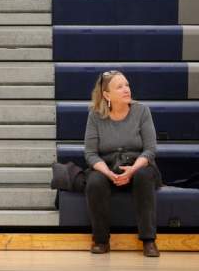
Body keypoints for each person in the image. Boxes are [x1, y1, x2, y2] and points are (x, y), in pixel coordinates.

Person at [84, 70, 162, 257]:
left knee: (143, 175)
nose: (126, 89)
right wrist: (108, 173)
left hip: (139, 164)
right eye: (119, 87)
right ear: (106, 95)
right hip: (108, 165)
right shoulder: (95, 116)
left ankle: (149, 240)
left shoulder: (142, 111)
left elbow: (150, 150)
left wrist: (133, 170)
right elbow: (91, 154)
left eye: (127, 85)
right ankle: (101, 240)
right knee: (95, 181)